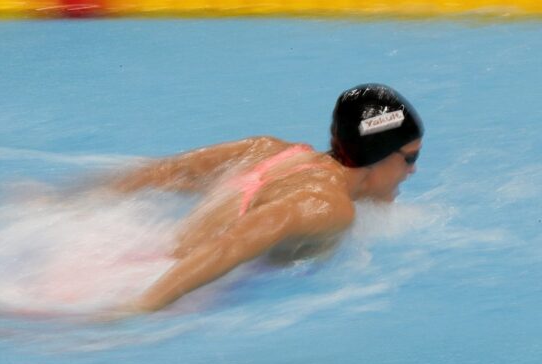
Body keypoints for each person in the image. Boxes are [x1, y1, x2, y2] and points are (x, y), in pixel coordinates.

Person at [108, 83, 423, 313]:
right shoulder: (327, 205)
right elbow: (235, 243)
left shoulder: (271, 151)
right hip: (160, 286)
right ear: (378, 155)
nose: (413, 170)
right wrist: (142, 306)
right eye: (410, 158)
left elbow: (164, 172)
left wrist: (64, 201)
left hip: (135, 255)